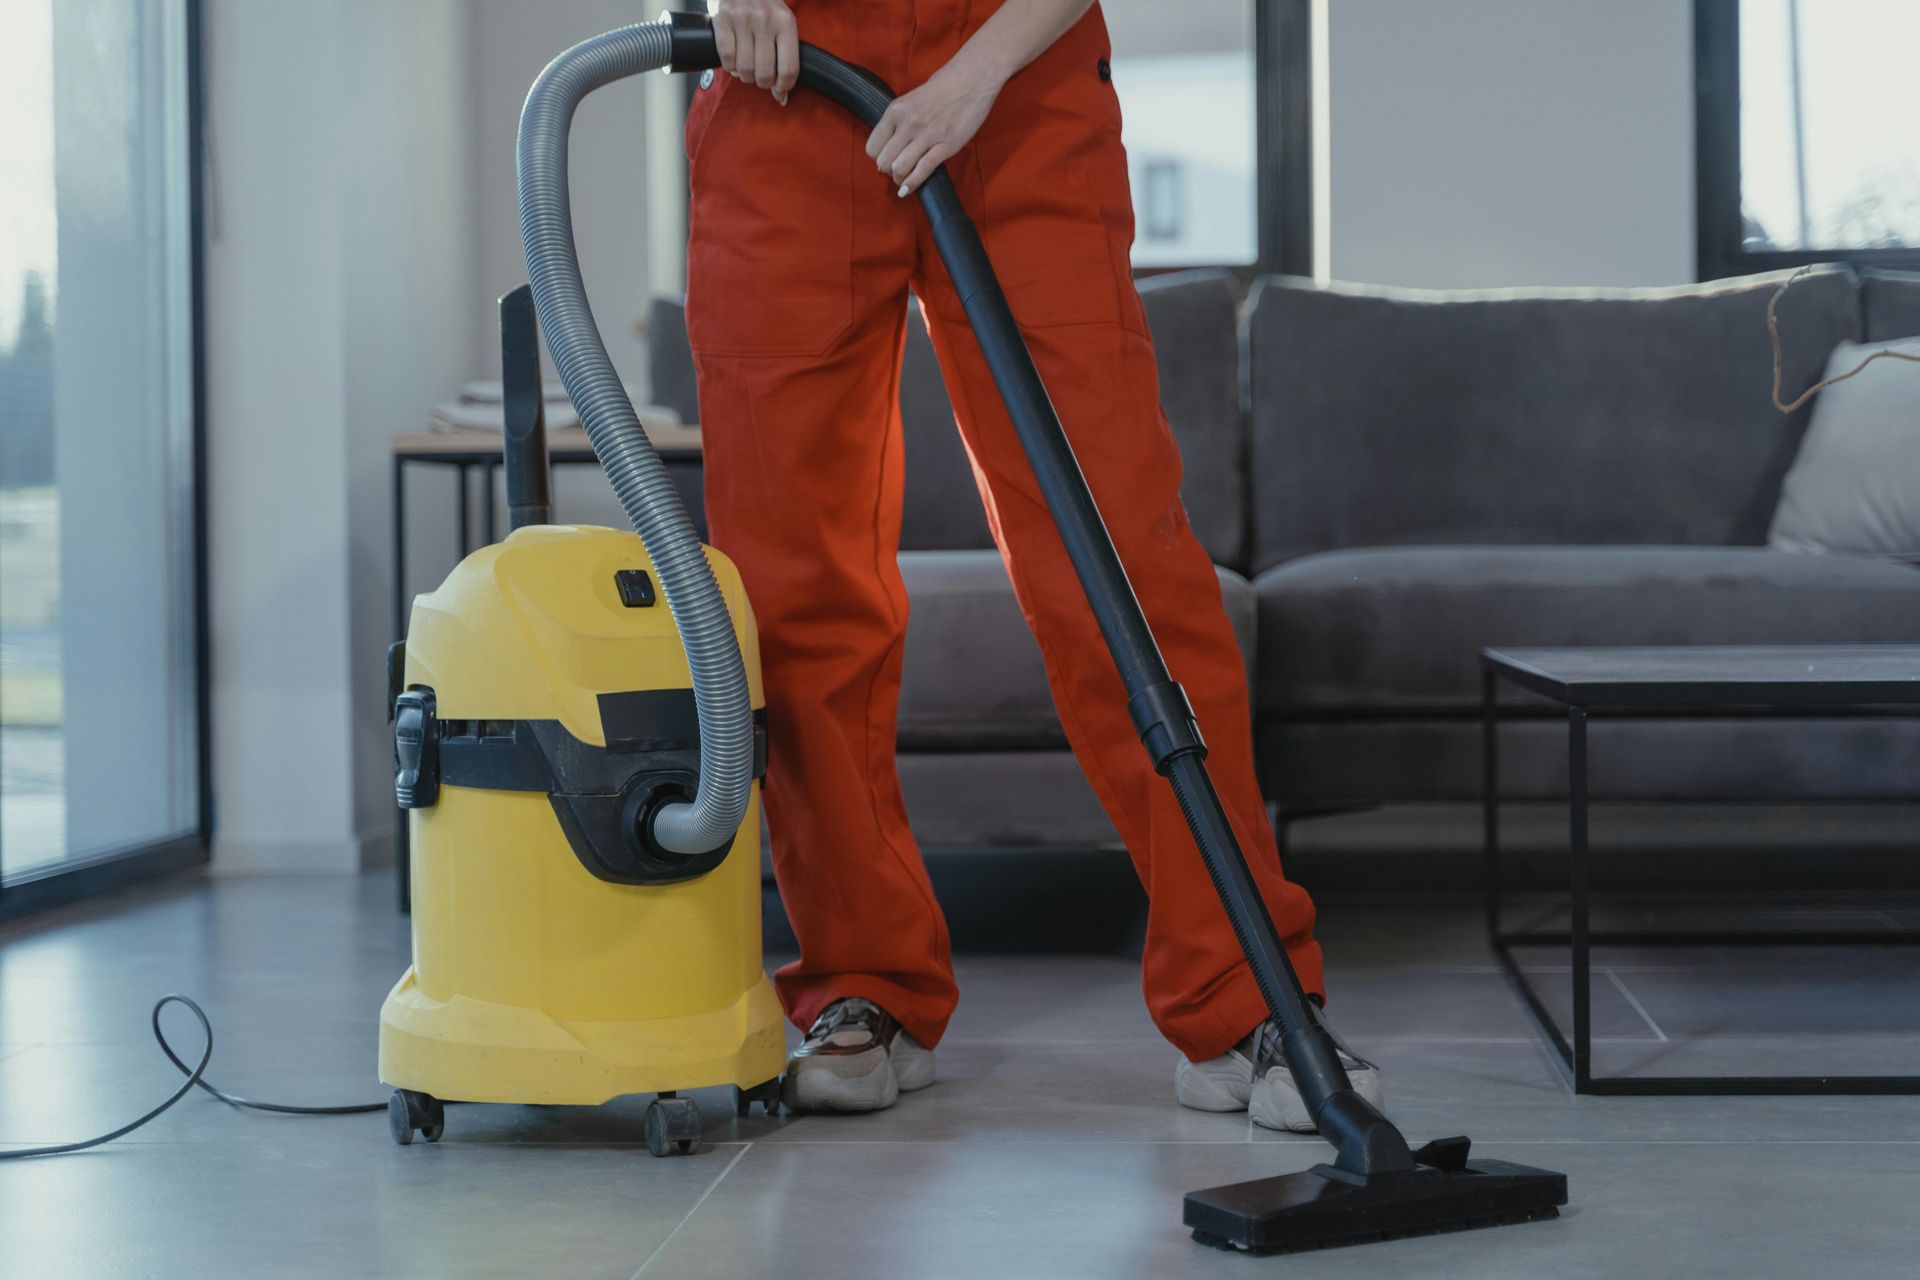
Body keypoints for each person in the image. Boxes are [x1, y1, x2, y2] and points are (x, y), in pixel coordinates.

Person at [687, 0, 1382, 1132]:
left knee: (1119, 560)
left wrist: (979, 69)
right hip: (784, 84)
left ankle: (1248, 998)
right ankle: (865, 981)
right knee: (790, 584)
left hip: (1017, 75)